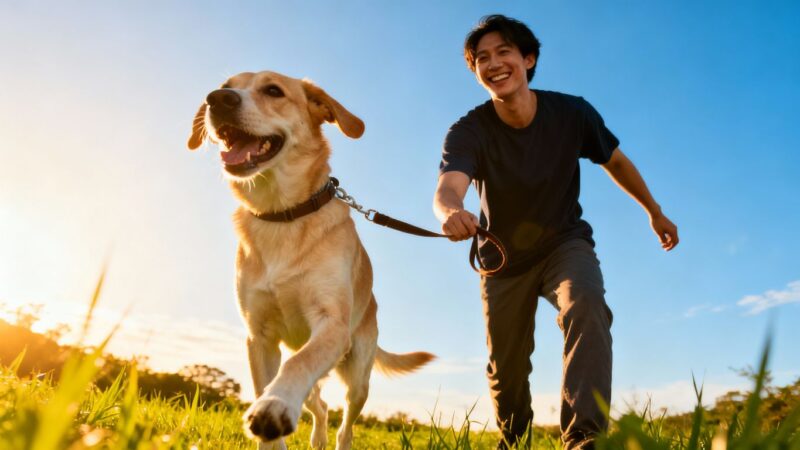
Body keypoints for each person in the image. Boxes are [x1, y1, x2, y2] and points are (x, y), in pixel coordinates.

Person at [433, 15, 679, 450]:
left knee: (585, 304)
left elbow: (616, 162)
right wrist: (451, 212)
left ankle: (584, 438)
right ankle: (514, 440)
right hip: (502, 260)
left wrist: (653, 212)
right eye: (481, 59)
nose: (493, 64)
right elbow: (449, 187)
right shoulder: (468, 130)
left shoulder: (572, 113)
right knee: (505, 369)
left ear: (528, 59)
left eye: (504, 52)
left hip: (564, 242)